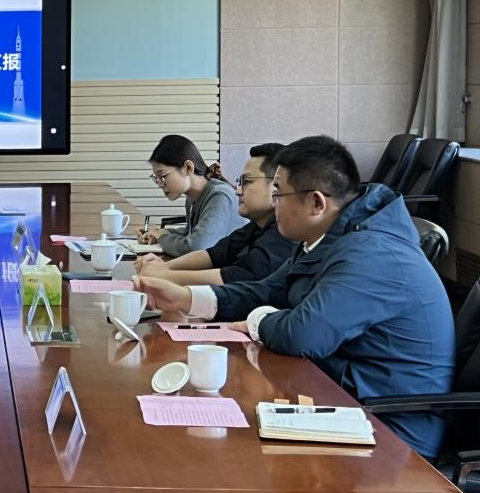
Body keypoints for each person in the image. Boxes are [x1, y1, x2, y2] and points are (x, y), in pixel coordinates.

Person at [135, 135, 455, 458]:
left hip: (391, 432)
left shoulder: (371, 252)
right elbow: (269, 289)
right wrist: (186, 298)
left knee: (227, 452)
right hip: (341, 396)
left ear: (316, 203)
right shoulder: (330, 236)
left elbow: (304, 334)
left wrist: (257, 320)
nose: (273, 204)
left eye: (279, 194)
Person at [137, 143, 297, 285]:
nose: (238, 191)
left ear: (276, 186)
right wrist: (164, 267)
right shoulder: (256, 226)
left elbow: (239, 275)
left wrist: (165, 274)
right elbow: (214, 255)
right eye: (239, 183)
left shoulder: (284, 233)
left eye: (247, 182)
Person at [141, 134, 239, 257]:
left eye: (163, 176)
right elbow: (191, 232)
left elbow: (196, 247)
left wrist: (162, 237)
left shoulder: (220, 196)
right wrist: (159, 232)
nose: (160, 184)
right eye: (157, 178)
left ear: (188, 167)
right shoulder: (191, 198)